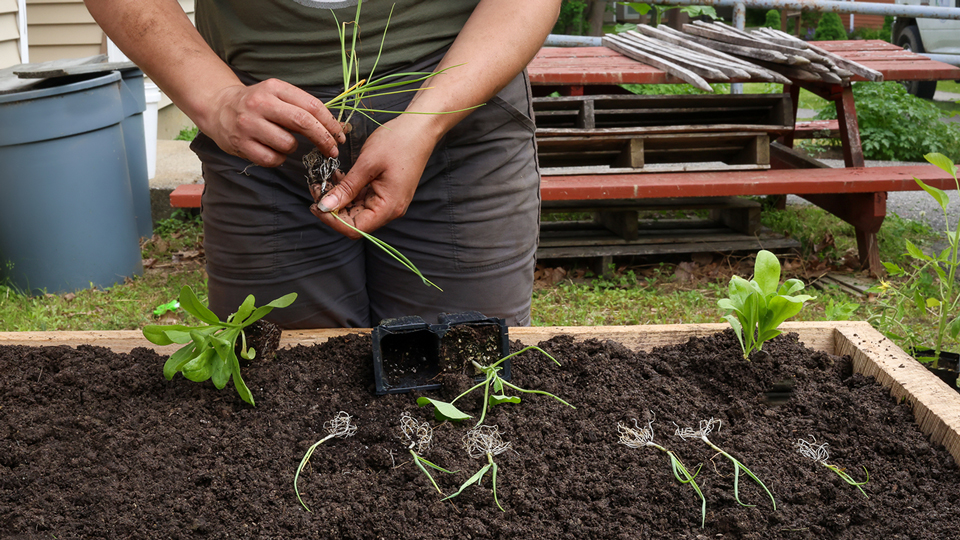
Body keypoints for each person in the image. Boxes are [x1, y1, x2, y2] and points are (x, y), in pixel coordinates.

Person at [84, 0, 560, 328]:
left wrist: (428, 120)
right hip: (262, 140)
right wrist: (217, 99)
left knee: (466, 381)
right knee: (282, 395)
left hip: (460, 124)